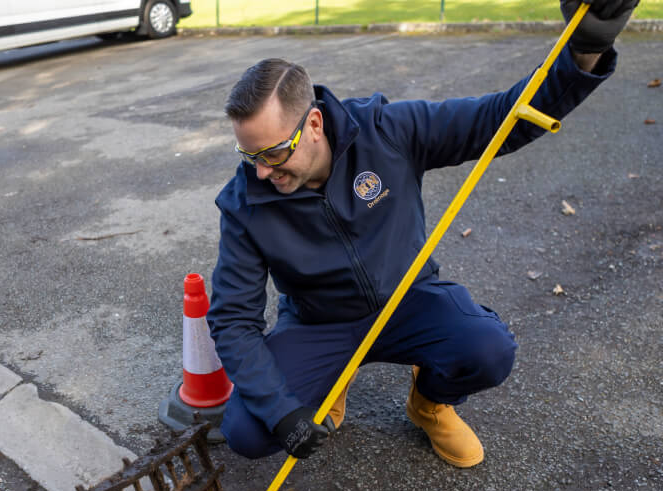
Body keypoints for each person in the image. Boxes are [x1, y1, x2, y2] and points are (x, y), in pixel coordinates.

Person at [207, 0, 637, 464]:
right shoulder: (244, 201)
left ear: (313, 124)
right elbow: (234, 321)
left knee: (487, 350)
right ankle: (331, 380)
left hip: (408, 299)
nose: (262, 171)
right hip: (320, 322)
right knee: (248, 431)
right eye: (250, 155)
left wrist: (585, 51)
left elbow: (502, 118)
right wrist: (281, 413)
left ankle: (429, 402)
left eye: (273, 153)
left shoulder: (385, 131)